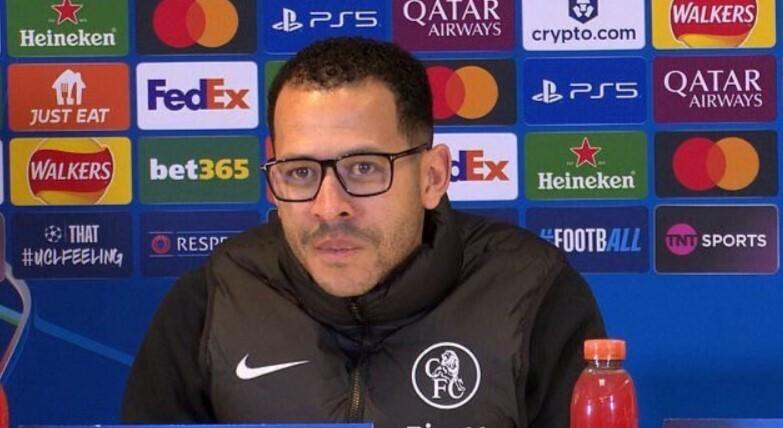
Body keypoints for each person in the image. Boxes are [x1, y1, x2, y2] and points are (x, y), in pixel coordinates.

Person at [122, 37, 605, 427]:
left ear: (433, 177)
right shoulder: (213, 298)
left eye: (365, 168)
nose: (329, 207)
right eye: (300, 173)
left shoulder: (534, 294)